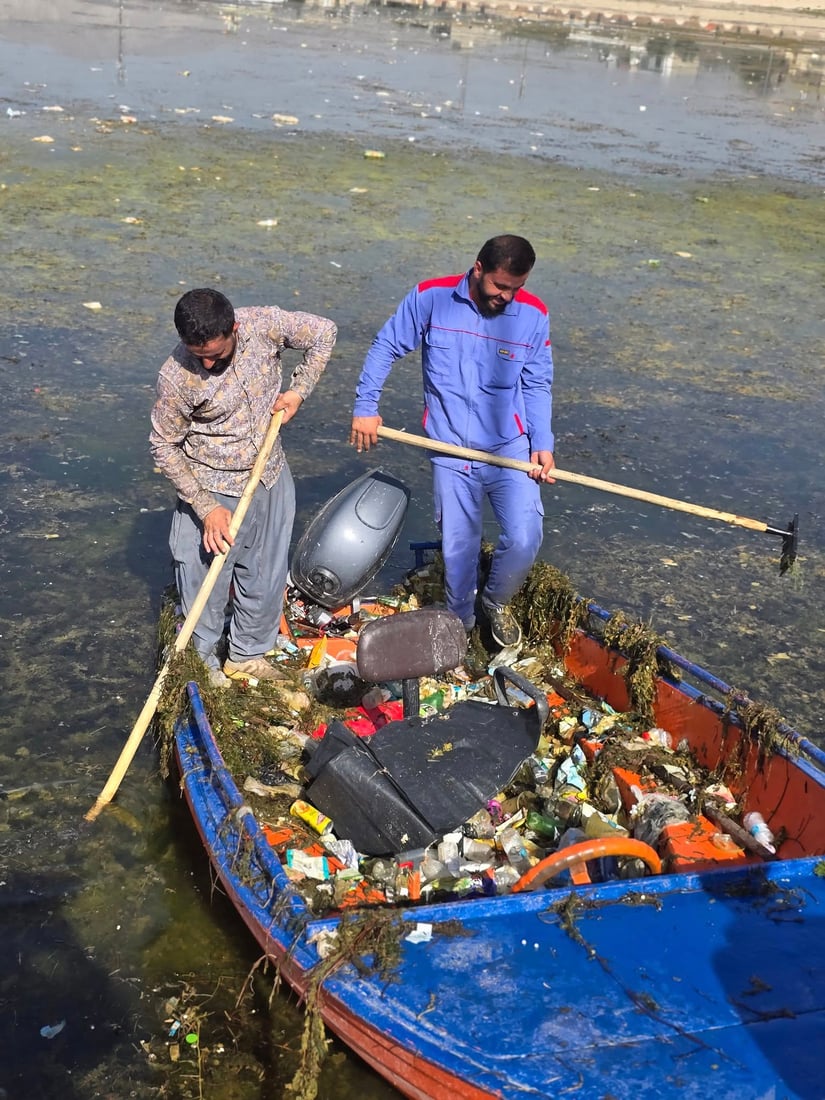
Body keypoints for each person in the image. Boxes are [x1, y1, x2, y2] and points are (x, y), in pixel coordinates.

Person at [350, 234, 554, 649]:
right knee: (459, 547)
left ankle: (495, 602)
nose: (507, 297)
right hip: (450, 449)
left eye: (517, 287)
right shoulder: (431, 297)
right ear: (478, 268)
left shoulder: (532, 314)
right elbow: (386, 345)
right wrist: (365, 406)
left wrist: (542, 442)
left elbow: (537, 383)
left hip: (510, 450)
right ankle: (459, 623)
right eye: (500, 286)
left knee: (525, 536)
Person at [150, 287, 337, 688]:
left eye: (215, 354)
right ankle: (201, 667)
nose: (207, 362)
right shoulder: (177, 376)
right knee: (205, 584)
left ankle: (247, 655)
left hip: (268, 473)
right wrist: (205, 507)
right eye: (198, 354)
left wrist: (298, 391)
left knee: (266, 572)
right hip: (211, 484)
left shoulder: (264, 324)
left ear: (234, 328)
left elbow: (324, 333)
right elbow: (163, 446)